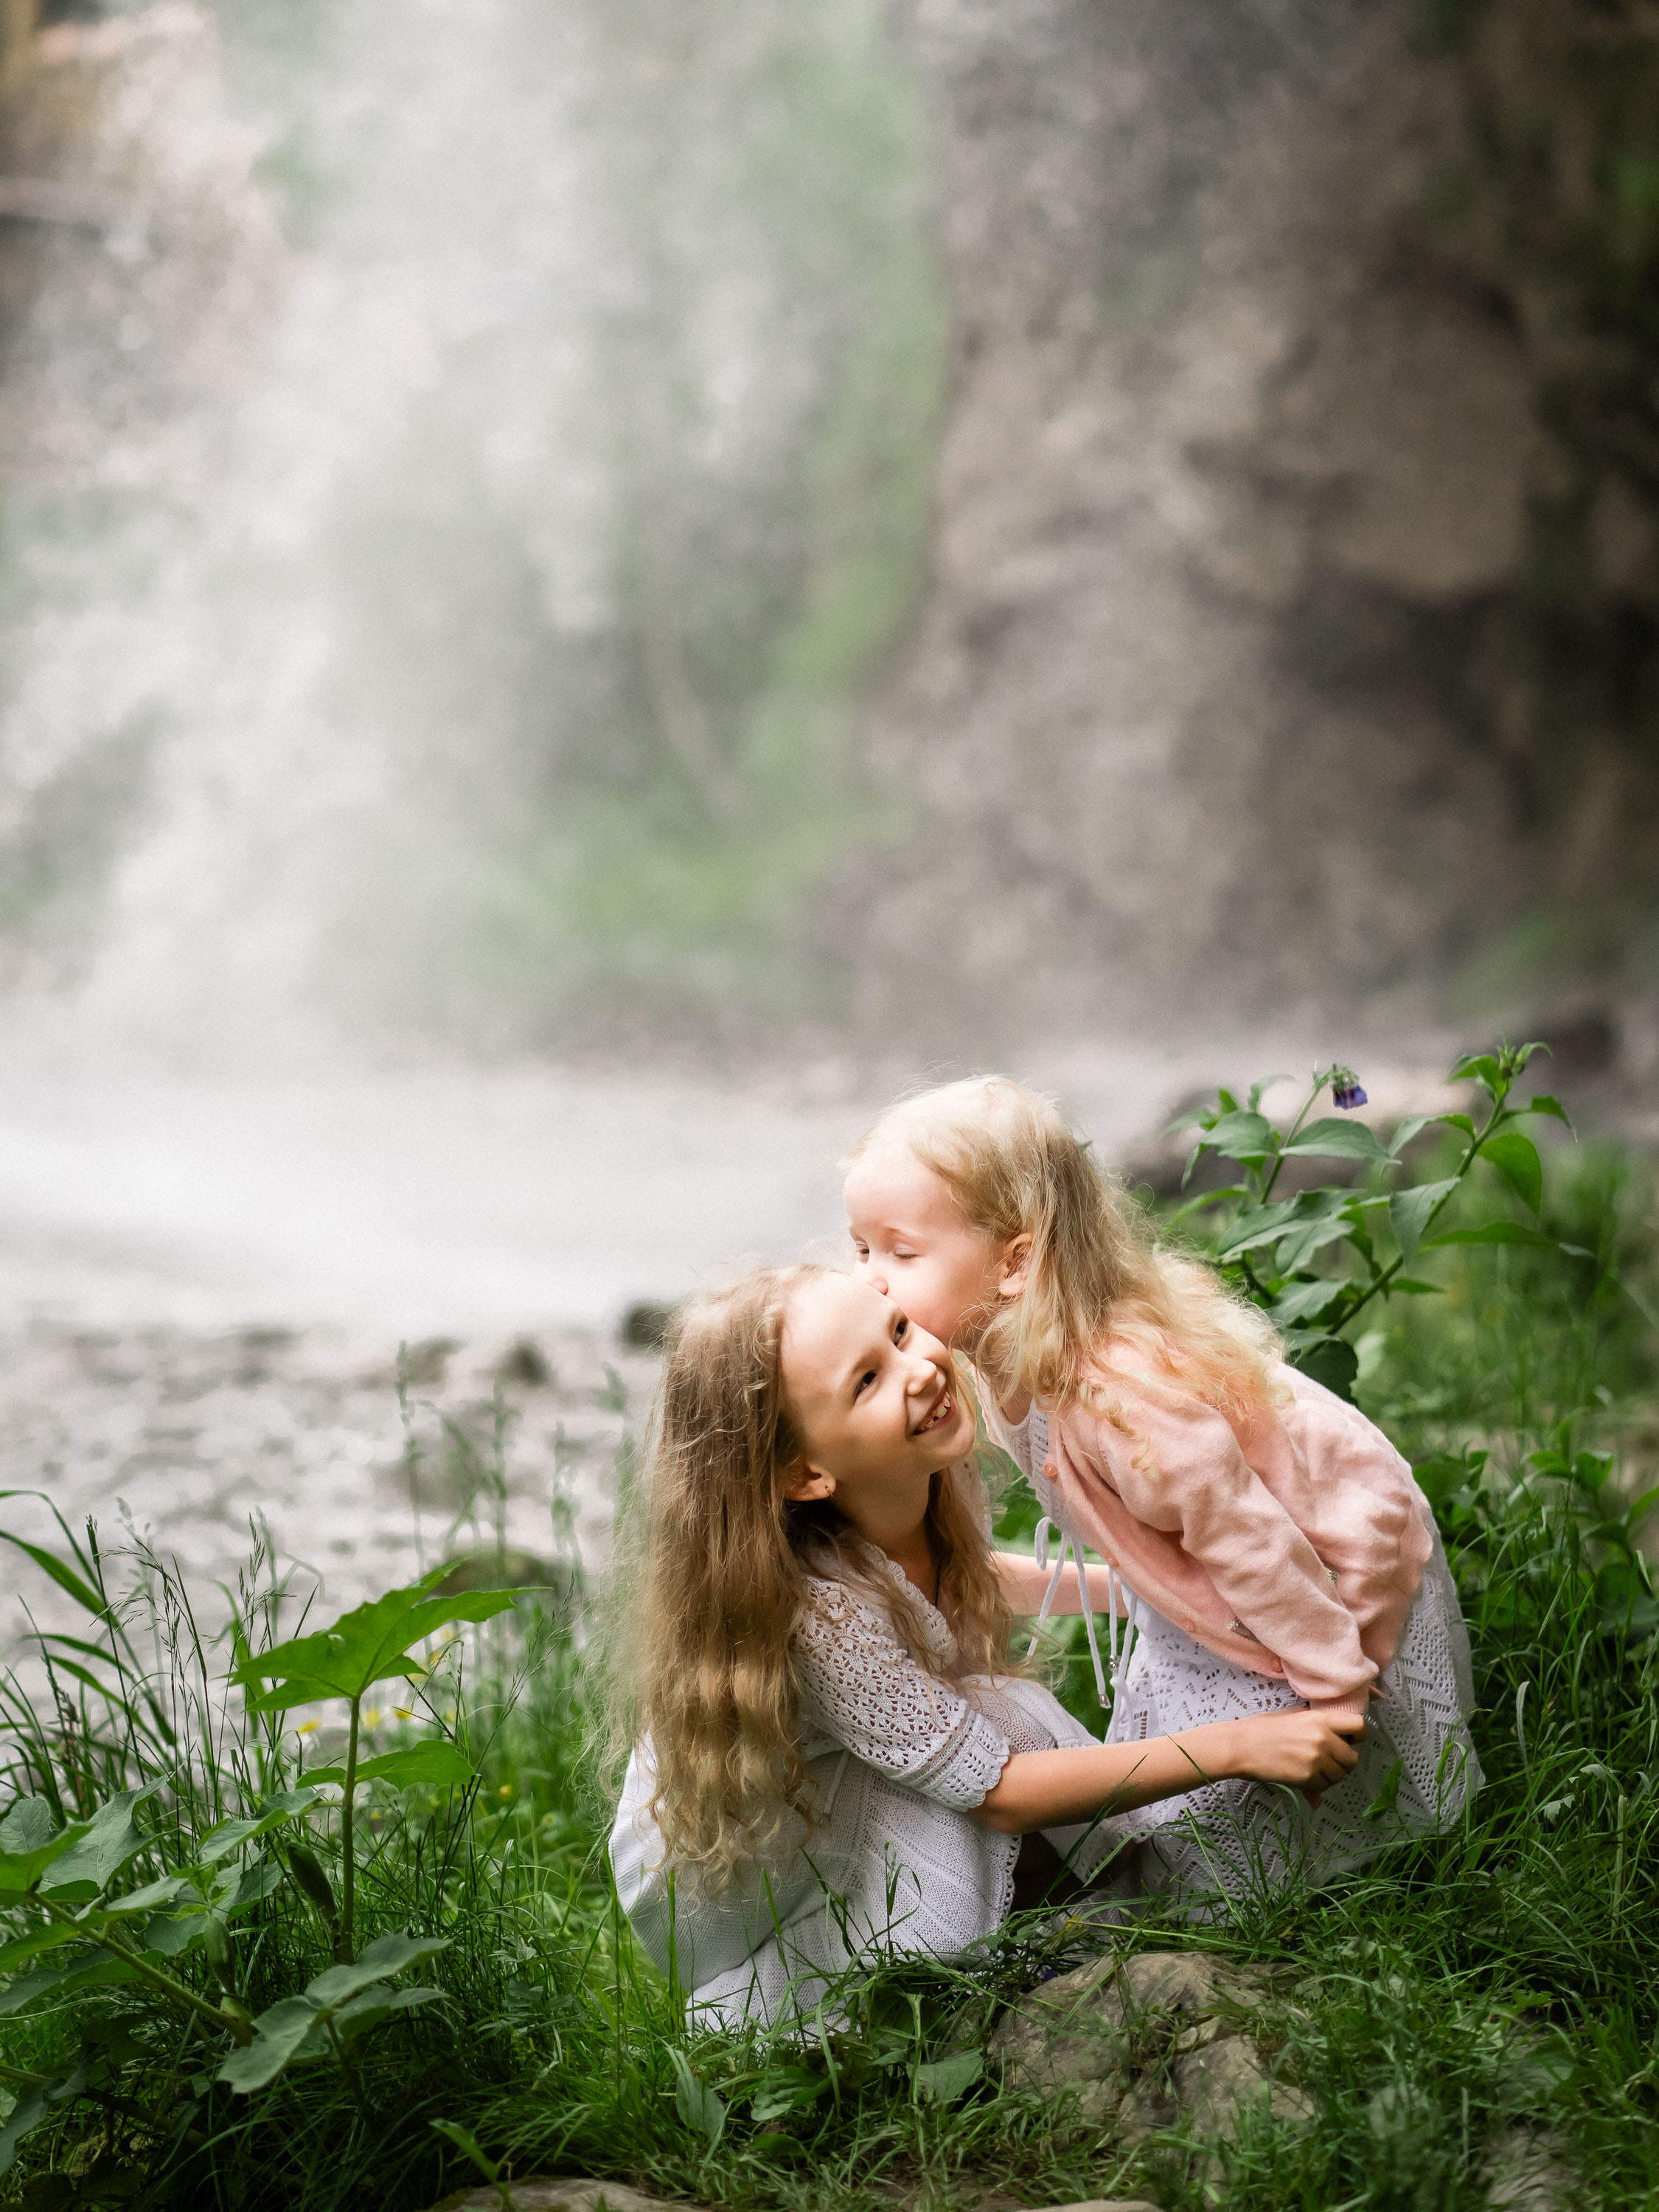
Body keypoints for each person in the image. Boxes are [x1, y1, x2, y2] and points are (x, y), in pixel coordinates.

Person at [608, 1265, 1364, 2023]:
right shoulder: (820, 1621)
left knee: (993, 1722)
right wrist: (1238, 1746)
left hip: (831, 1792)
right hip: (739, 1877)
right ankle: (905, 1976)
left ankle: (1049, 1909)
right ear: (805, 1473)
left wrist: (1150, 1587)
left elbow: (962, 1579)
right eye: (867, 1381)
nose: (920, 1368)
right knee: (992, 1736)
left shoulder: (908, 1479)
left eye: (898, 1331)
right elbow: (1000, 1791)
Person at [844, 1077, 1481, 1905]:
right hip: (1226, 1579)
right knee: (1200, 1809)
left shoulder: (1120, 1400)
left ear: (1015, 1261)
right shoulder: (1003, 1358)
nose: (871, 1280)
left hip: (1321, 1560)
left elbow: (1256, 1541)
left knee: (1280, 1802)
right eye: (860, 1250)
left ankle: (1370, 1878)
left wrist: (1334, 1695)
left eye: (900, 1252)